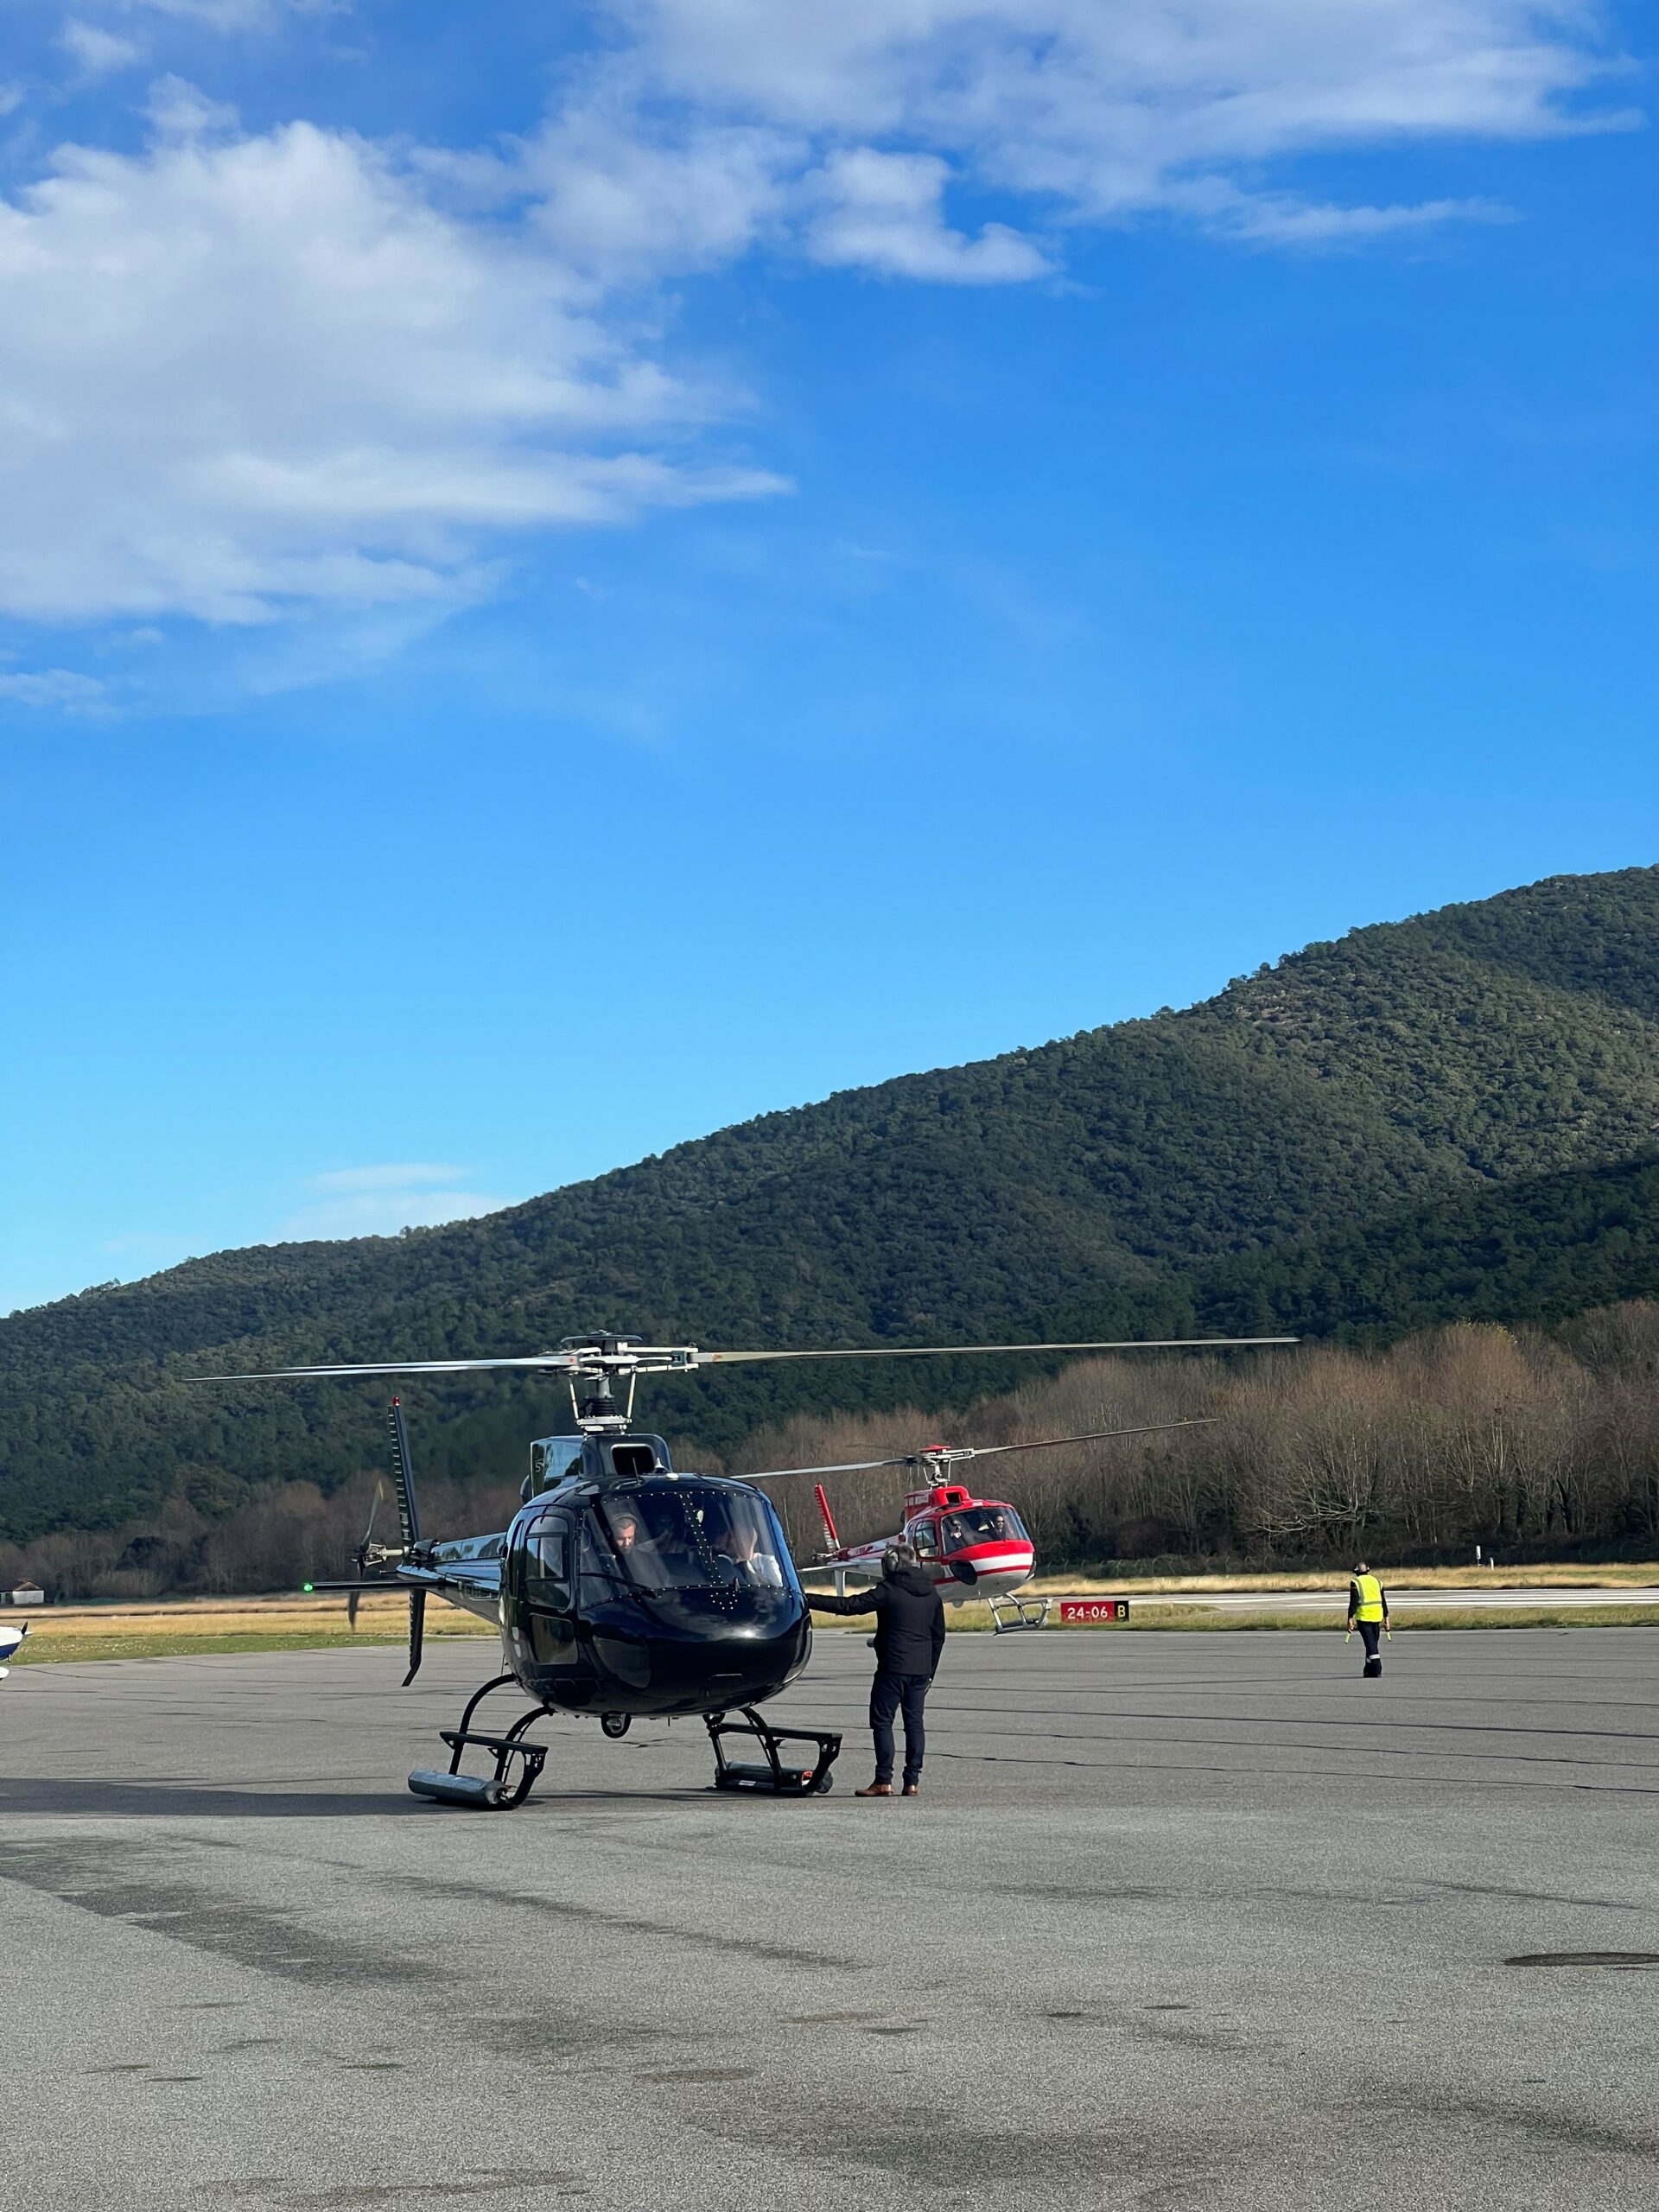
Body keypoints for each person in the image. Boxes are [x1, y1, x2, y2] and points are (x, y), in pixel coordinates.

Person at [807, 1544, 945, 1797]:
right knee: (914, 1724)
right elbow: (938, 1637)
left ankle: (883, 1780)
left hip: (892, 1668)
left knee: (882, 1722)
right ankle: (912, 1782)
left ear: (891, 1565)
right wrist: (930, 1672)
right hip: (920, 1671)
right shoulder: (932, 1594)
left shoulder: (889, 1590)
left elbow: (849, 1606)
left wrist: (806, 1599)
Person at [1347, 1560, 1391, 1676]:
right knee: (1371, 1643)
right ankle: (1368, 1669)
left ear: (1356, 1572)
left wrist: (1350, 1618)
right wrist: (1386, 1618)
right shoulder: (1377, 1581)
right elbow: (1383, 1601)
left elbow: (1354, 1602)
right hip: (1377, 1616)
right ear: (1367, 1569)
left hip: (1364, 1617)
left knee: (1371, 1644)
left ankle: (1377, 1667)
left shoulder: (1355, 1582)